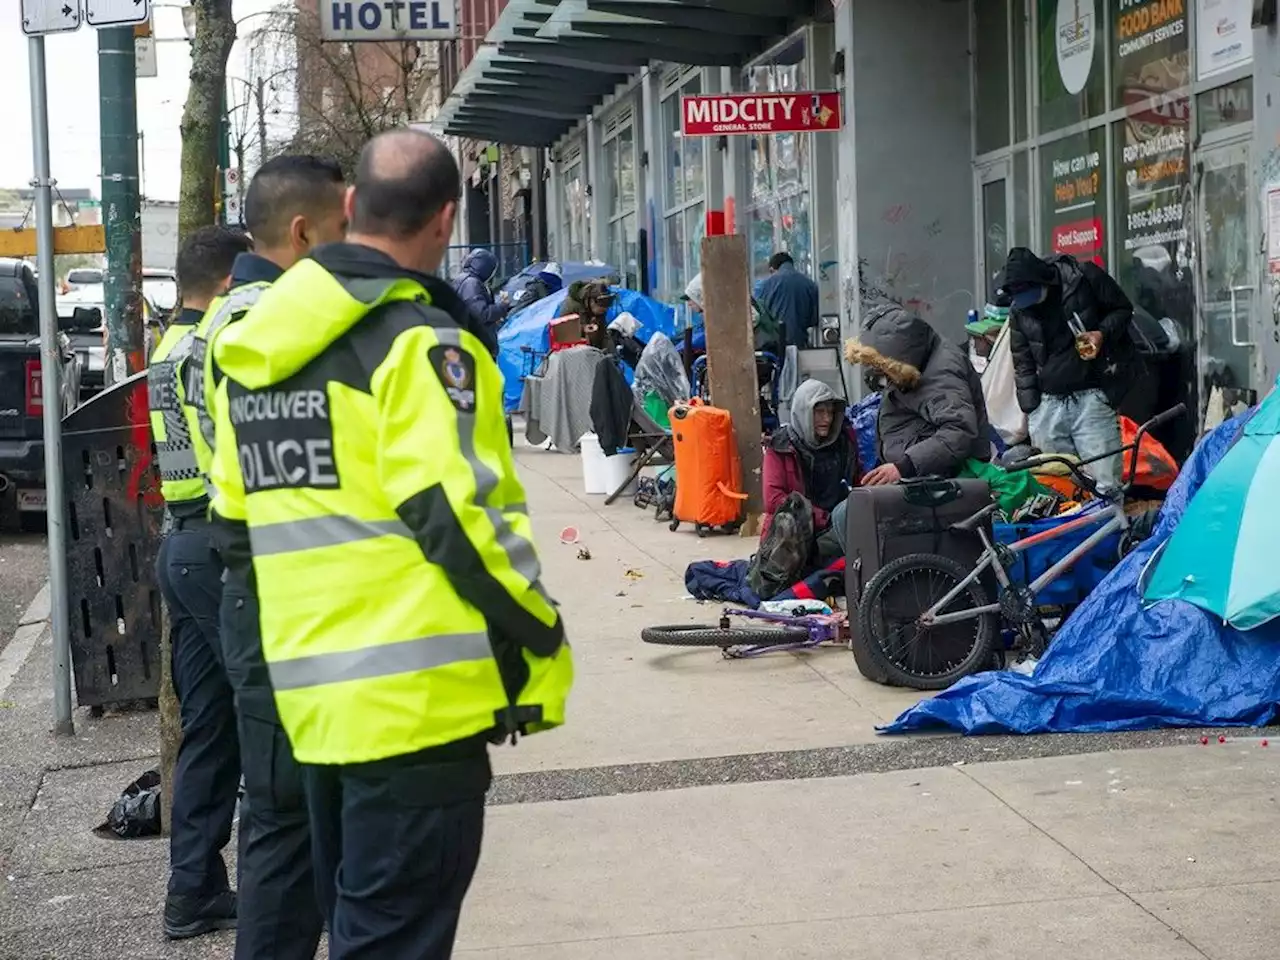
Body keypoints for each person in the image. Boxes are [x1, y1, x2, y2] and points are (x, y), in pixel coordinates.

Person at [206, 128, 574, 960]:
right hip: (415, 706)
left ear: (347, 206)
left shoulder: (254, 353)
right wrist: (538, 626)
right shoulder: (421, 345)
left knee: (358, 926)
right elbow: (461, 518)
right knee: (393, 938)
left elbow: (235, 526)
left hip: (314, 705)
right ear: (447, 221)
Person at [192, 154, 348, 960]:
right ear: (302, 231)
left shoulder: (227, 314)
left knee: (286, 819)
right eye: (342, 231)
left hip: (254, 581)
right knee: (288, 826)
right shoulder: (273, 323)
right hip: (279, 590)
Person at [147, 224, 252, 941]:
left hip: (180, 547)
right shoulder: (213, 344)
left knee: (210, 731)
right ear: (226, 282)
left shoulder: (164, 348)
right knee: (267, 715)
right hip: (216, 548)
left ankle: (193, 891)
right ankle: (299, 882)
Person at [1000, 247, 1134, 493]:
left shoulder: (1083, 279)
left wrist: (1101, 333)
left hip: (1091, 396)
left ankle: (1111, 530)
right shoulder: (1019, 310)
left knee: (1104, 485)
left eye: (1026, 292)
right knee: (1057, 488)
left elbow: (1123, 309)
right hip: (1048, 404)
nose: (1023, 300)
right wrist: (1033, 409)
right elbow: (1022, 359)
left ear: (1043, 281)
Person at [845, 300, 991, 484]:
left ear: (897, 357)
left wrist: (905, 466)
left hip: (939, 481)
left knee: (850, 511)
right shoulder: (915, 359)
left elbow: (959, 430)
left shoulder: (942, 372)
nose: (879, 373)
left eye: (880, 366)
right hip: (917, 476)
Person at [762, 379, 860, 546]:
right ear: (803, 412)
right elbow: (774, 500)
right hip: (790, 537)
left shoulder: (843, 442)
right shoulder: (780, 446)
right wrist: (823, 518)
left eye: (830, 412)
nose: (827, 419)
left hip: (833, 530)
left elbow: (858, 479)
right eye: (819, 412)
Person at [755, 252, 819, 349]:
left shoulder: (765, 285)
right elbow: (813, 320)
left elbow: (758, 316)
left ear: (772, 269)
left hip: (774, 347)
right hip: (801, 344)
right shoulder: (810, 285)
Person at [452, 247, 510, 348]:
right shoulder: (471, 283)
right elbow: (481, 314)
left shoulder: (465, 279)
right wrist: (502, 307)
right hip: (476, 343)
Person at [562, 278, 615, 350]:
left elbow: (603, 334)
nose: (604, 308)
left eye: (606, 304)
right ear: (590, 300)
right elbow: (563, 334)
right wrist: (583, 328)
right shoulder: (572, 306)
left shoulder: (599, 311)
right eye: (601, 303)